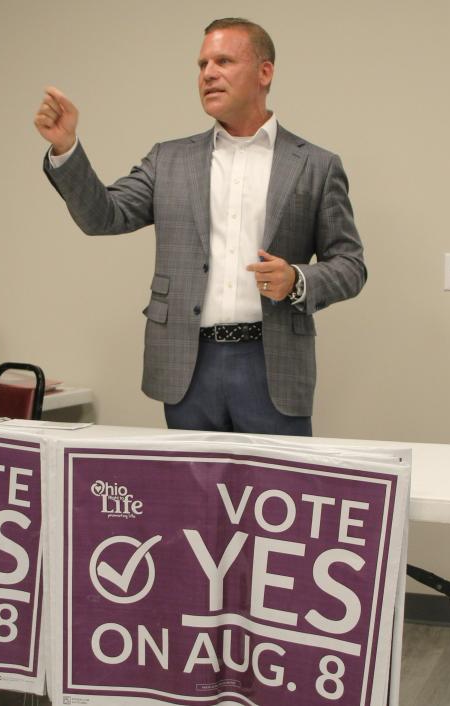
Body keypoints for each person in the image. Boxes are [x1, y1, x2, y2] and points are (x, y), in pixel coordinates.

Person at [34, 17, 366, 435]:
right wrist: (66, 148)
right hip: (188, 365)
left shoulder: (316, 165)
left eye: (223, 61)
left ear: (265, 72)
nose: (208, 73)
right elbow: (104, 216)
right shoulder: (169, 159)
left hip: (273, 363)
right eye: (202, 64)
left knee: (276, 496)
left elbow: (351, 264)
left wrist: (297, 279)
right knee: (190, 499)